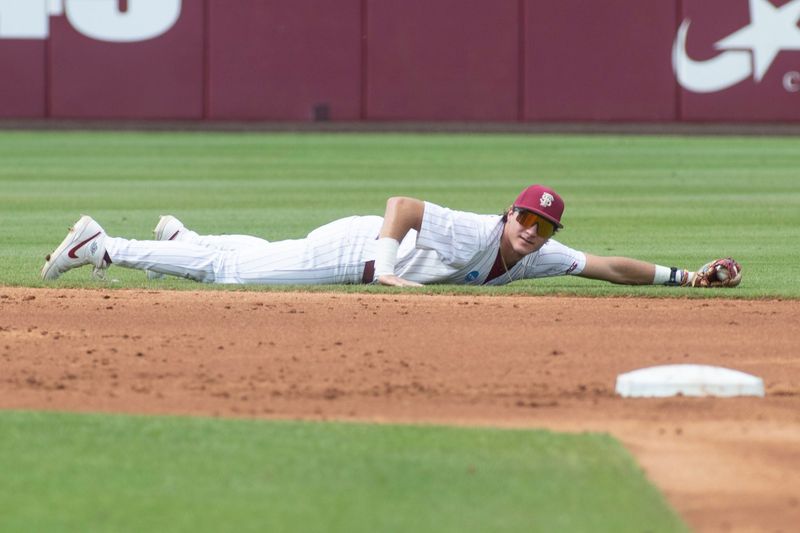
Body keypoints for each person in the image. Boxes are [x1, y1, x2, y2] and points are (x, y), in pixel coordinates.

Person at [40, 185, 742, 288]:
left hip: (365, 254)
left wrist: (688, 276)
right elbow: (401, 204)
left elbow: (608, 264)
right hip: (359, 249)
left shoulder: (535, 256)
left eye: (544, 224)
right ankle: (105, 245)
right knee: (234, 275)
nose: (532, 231)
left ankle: (182, 233)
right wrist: (384, 268)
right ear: (507, 216)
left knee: (249, 257)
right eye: (525, 218)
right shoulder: (478, 230)